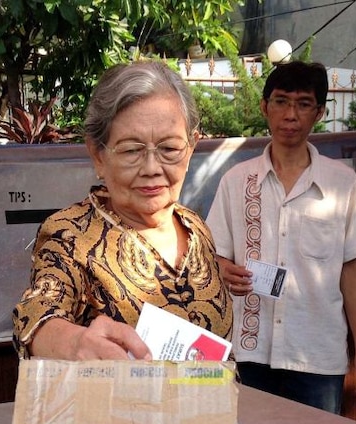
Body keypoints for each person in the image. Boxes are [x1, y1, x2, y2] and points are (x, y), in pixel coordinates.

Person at [13, 60, 233, 360]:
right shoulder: (70, 234)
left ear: (191, 147)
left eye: (169, 149)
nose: (152, 168)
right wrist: (75, 342)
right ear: (98, 154)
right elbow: (38, 315)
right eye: (131, 150)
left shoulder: (195, 228)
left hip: (211, 404)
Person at [205, 60, 356, 414]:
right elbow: (213, 255)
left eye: (303, 104)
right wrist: (224, 269)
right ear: (264, 107)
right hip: (248, 351)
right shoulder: (236, 182)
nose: (290, 114)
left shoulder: (341, 183)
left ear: (318, 113)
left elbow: (352, 268)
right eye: (281, 101)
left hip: (316, 356)